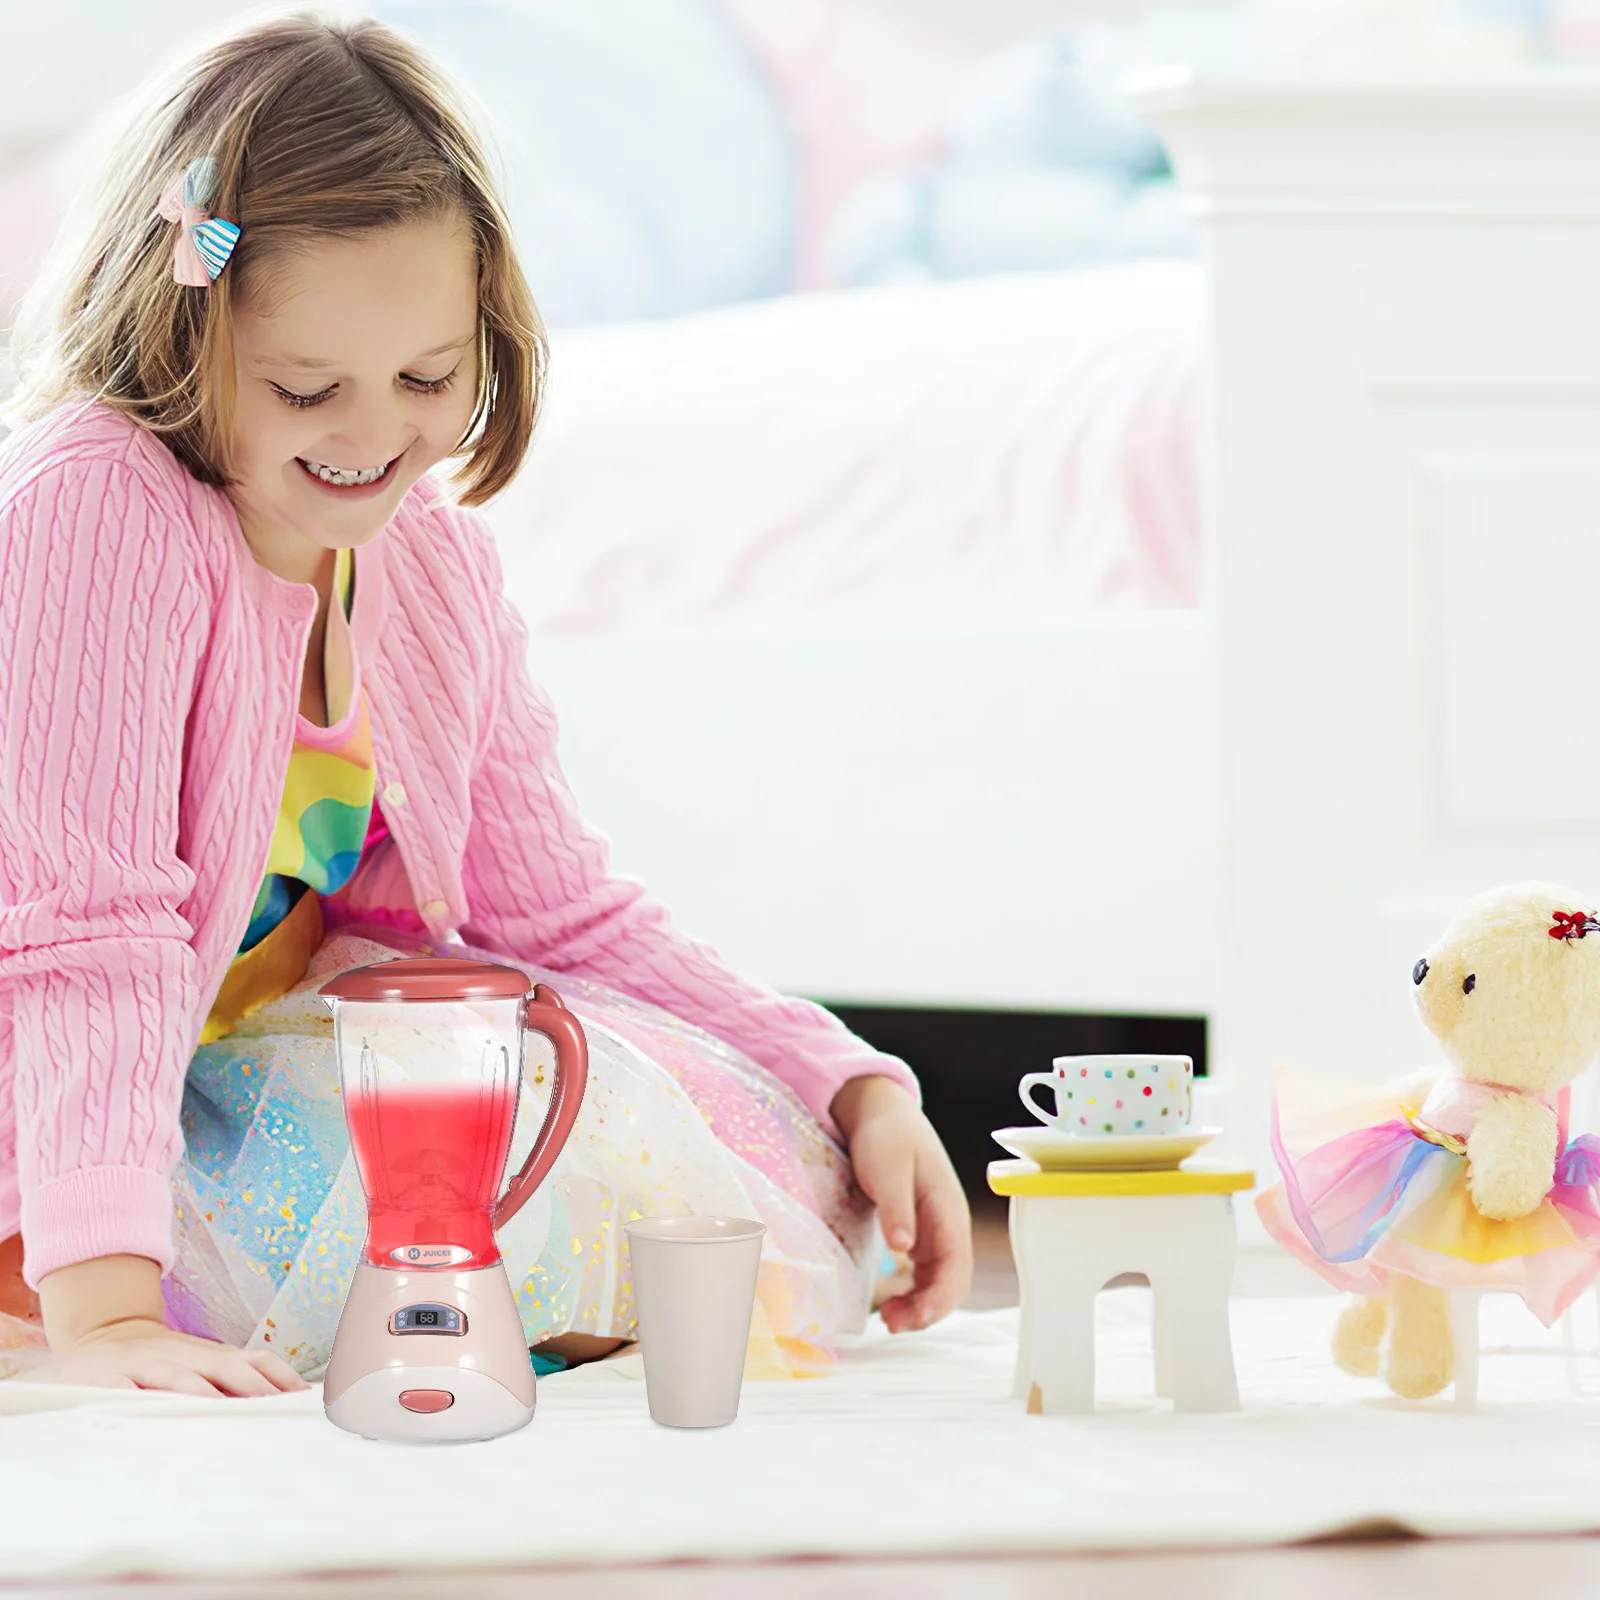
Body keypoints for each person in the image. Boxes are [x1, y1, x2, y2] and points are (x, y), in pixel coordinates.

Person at [0, 13, 971, 1395]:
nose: (370, 436)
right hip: (54, 1107)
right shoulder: (95, 506)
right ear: (179, 321)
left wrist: (848, 1076)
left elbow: (555, 908)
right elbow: (83, 930)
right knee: (524, 1204)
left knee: (753, 1145)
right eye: (304, 387)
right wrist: (106, 1323)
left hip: (230, 1063)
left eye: (427, 379)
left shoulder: (425, 552)